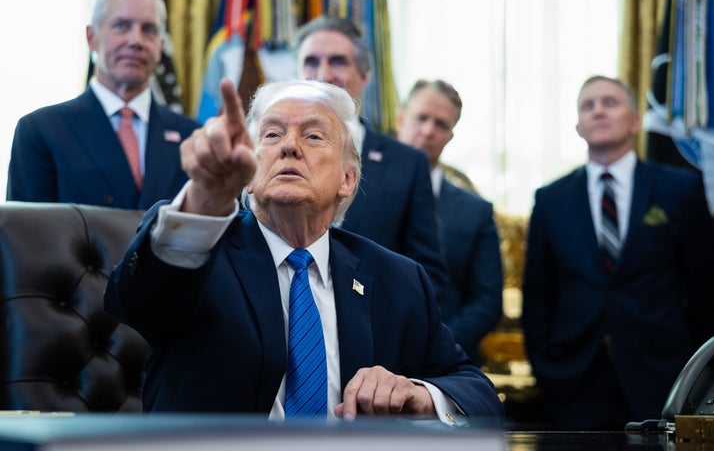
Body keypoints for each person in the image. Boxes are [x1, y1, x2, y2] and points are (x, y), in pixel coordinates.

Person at [103, 78, 504, 423]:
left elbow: (476, 392)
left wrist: (417, 394)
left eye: (313, 136)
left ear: (347, 180)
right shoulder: (198, 246)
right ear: (248, 174)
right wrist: (204, 199)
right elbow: (138, 304)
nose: (289, 146)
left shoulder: (397, 279)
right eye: (272, 135)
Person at [521, 75, 714, 430]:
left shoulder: (680, 190)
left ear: (635, 121)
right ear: (578, 127)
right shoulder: (550, 200)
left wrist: (693, 375)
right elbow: (537, 296)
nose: (598, 110)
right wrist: (548, 370)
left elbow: (704, 289)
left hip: (661, 379)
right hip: (574, 382)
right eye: (587, 105)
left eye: (610, 102)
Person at [6, 0, 199, 209]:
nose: (136, 40)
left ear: (161, 44)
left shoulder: (193, 137)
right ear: (91, 37)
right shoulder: (41, 131)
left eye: (148, 29)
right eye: (121, 26)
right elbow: (24, 238)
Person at [291, 16, 448, 297]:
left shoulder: (407, 164)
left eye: (338, 61)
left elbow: (427, 275)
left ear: (364, 76)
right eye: (311, 61)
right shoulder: (270, 151)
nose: (323, 73)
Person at [394, 79, 503, 365]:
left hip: (445, 362)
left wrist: (437, 344)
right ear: (400, 120)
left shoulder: (475, 211)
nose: (428, 130)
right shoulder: (356, 190)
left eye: (441, 124)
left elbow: (487, 301)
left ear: (450, 136)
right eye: (421, 118)